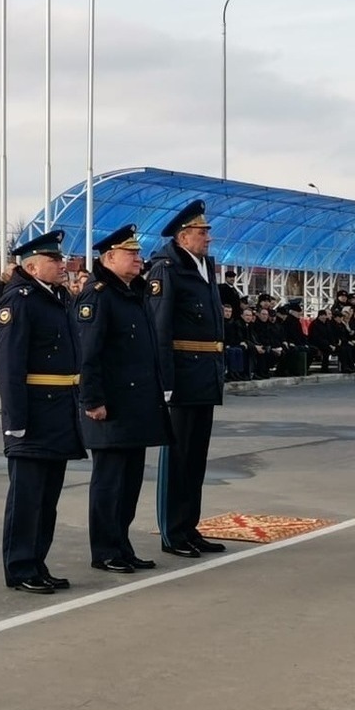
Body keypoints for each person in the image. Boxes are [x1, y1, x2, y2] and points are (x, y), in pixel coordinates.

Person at [0, 230, 86, 594]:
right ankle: (19, 567)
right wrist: (15, 421)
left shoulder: (55, 297)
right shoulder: (19, 301)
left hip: (59, 411)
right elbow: (9, 366)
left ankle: (38, 561)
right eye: (54, 260)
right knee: (27, 497)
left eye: (60, 260)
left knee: (48, 498)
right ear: (32, 266)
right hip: (32, 413)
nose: (61, 265)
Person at [76, 224, 170, 574]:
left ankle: (122, 544)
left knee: (129, 482)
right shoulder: (98, 296)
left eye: (139, 253)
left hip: (136, 406)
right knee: (109, 481)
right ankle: (104, 549)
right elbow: (88, 354)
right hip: (110, 406)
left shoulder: (134, 293)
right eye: (131, 254)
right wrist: (92, 400)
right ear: (109, 257)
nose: (138, 259)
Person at [148, 199, 227, 559]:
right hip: (180, 374)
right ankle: (172, 531)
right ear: (183, 236)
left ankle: (189, 526)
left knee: (196, 458)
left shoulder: (205, 266)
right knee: (177, 458)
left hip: (203, 374)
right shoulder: (167, 269)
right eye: (202, 232)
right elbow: (161, 327)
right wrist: (165, 380)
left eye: (207, 231)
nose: (208, 238)